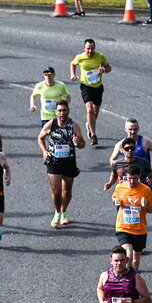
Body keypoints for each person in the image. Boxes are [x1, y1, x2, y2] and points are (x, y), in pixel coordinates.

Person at [38, 100, 85, 228]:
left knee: (67, 189)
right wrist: (44, 151)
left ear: (68, 111)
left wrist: (78, 142)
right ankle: (57, 212)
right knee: (56, 190)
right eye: (59, 110)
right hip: (54, 161)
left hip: (69, 161)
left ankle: (64, 211)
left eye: (64, 110)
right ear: (56, 112)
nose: (62, 113)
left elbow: (82, 144)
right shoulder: (50, 124)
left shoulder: (74, 125)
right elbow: (40, 138)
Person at [112, 165, 152, 270]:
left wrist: (145, 206)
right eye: (129, 178)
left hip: (139, 230)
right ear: (126, 177)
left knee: (136, 259)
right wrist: (115, 201)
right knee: (129, 254)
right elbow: (114, 197)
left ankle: (134, 278)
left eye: (134, 178)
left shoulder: (146, 190)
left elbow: (151, 210)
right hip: (123, 227)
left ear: (139, 176)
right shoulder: (120, 187)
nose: (131, 181)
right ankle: (126, 281)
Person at [69, 38, 110, 145]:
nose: (90, 51)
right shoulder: (80, 57)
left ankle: (89, 125)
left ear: (94, 48)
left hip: (98, 87)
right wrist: (73, 74)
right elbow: (73, 64)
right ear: (84, 48)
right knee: (90, 109)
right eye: (88, 49)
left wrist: (104, 70)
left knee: (95, 113)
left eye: (92, 48)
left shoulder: (100, 56)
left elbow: (109, 68)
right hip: (86, 86)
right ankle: (93, 135)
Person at [109, 119, 152, 188]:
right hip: (128, 181)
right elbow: (112, 160)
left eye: (135, 129)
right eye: (130, 129)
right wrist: (119, 174)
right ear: (125, 129)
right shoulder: (120, 145)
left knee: (145, 198)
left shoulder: (145, 142)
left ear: (138, 129)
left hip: (143, 181)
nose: (133, 132)